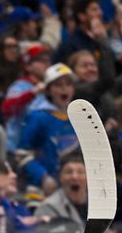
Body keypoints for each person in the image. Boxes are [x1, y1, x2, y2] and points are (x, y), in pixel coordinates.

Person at [34, 151, 122, 233]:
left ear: (88, 178)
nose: (74, 176)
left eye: (80, 172)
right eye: (69, 172)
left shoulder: (98, 205)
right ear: (60, 178)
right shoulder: (48, 209)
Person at [16, 62, 80, 197]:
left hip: (72, 187)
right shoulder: (38, 117)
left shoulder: (79, 117)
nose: (64, 89)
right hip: (41, 190)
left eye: (68, 84)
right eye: (58, 85)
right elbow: (22, 154)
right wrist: (43, 177)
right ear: (48, 90)